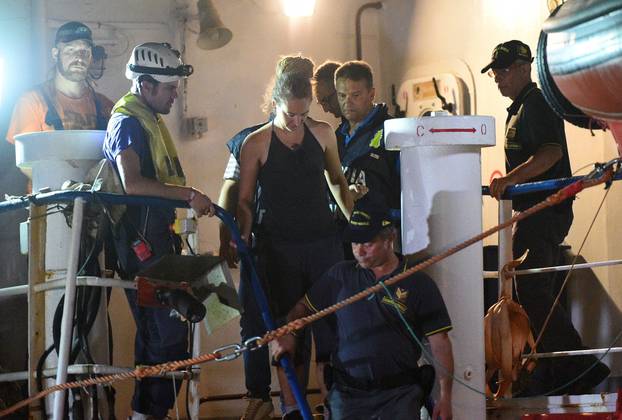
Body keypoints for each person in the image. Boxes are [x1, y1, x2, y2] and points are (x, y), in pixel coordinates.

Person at [484, 40, 609, 395]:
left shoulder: (536, 104)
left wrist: (510, 180)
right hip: (532, 211)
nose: (498, 77)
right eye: (495, 71)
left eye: (504, 70)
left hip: (544, 212)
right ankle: (559, 367)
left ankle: (578, 367)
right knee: (534, 291)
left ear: (526, 68)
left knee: (534, 290)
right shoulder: (520, 107)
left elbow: (551, 153)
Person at [103, 42, 214, 419]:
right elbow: (131, 183)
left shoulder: (147, 120)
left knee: (178, 333)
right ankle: (146, 415)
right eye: (168, 88)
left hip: (160, 244)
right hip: (141, 249)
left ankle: (152, 413)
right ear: (145, 85)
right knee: (162, 337)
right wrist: (189, 195)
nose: (175, 95)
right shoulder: (127, 121)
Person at [238, 55, 353, 419]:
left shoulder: (322, 133)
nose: (297, 121)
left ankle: (335, 405)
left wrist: (357, 222)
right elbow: (243, 199)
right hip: (279, 250)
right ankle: (293, 409)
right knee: (291, 331)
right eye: (290, 114)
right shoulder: (255, 143)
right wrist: (240, 235)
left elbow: (336, 181)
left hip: (323, 246)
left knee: (333, 330)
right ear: (275, 103)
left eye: (303, 114)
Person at [272, 195, 454, 420]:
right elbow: (302, 308)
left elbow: (440, 344)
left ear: (390, 238)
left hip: (399, 395)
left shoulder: (417, 283)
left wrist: (445, 397)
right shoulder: (339, 275)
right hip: (348, 394)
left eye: (367, 243)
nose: (359, 250)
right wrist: (289, 333)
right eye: (354, 242)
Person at [217, 120, 275, 420]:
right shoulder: (248, 140)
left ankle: (265, 399)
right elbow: (230, 188)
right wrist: (226, 235)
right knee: (256, 322)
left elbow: (229, 189)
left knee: (257, 323)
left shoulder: (246, 139)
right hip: (266, 245)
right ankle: (263, 399)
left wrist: (224, 238)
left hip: (276, 245)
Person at [6, 21, 113, 143]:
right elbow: (26, 158)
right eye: (70, 50)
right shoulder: (32, 102)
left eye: (86, 52)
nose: (79, 57)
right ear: (55, 54)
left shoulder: (105, 106)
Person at [334, 61, 400, 255]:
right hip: (343, 237)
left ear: (371, 94)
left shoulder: (392, 131)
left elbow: (407, 189)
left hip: (380, 239)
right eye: (342, 95)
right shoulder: (335, 136)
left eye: (355, 95)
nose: (348, 102)